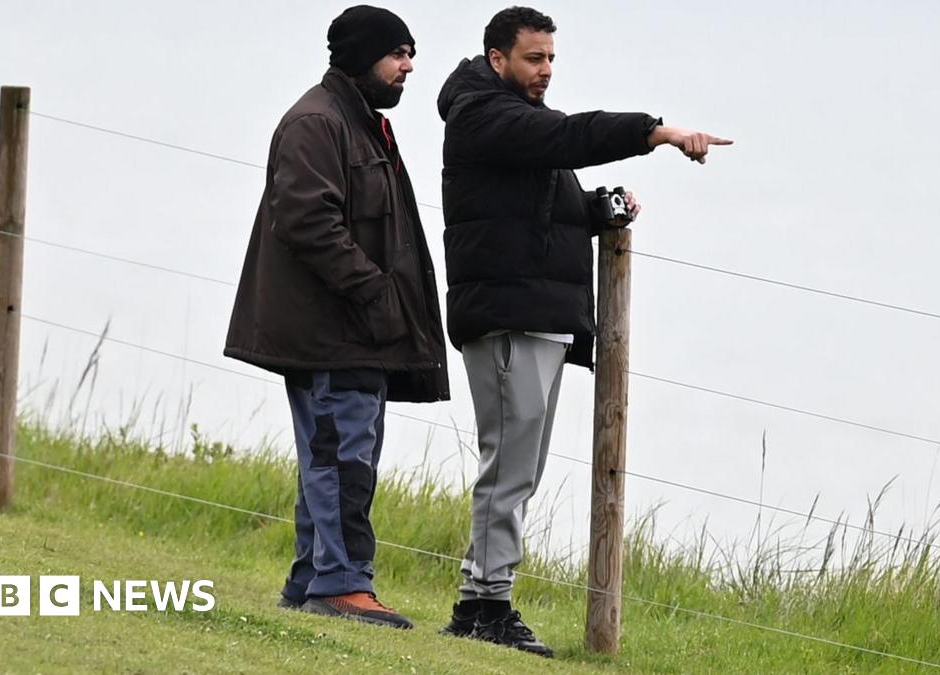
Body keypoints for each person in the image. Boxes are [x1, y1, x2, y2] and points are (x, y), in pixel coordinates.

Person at [436, 5, 732, 655]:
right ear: (497, 59)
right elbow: (573, 136)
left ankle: (485, 599)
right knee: (509, 469)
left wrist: (601, 209)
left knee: (521, 468)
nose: (545, 70)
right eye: (533, 58)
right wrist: (656, 132)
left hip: (537, 318)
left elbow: (542, 203)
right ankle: (482, 605)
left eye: (550, 59)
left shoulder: (516, 124)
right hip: (508, 318)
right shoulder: (485, 116)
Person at [224, 5, 449, 630]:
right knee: (342, 457)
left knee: (335, 454)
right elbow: (307, 221)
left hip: (353, 330)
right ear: (361, 57)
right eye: (398, 53)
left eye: (411, 55)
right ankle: (341, 585)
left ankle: (310, 580)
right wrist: (375, 295)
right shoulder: (316, 124)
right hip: (333, 332)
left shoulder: (359, 122)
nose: (407, 67)